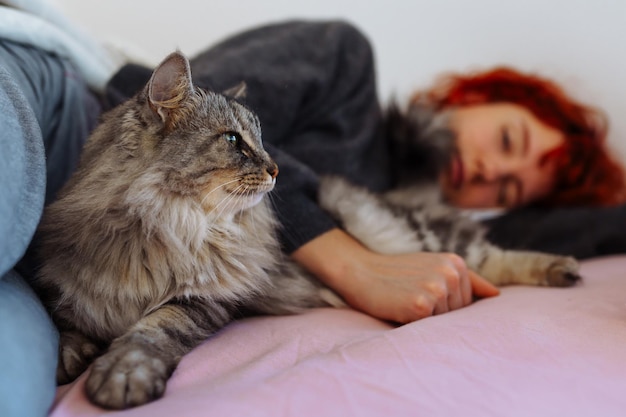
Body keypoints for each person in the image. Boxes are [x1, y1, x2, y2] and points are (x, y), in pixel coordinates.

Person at [2, 3, 626, 416]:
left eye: (509, 192)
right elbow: (180, 101)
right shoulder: (344, 62)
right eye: (509, 140)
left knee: (14, 384)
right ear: (479, 95)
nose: (492, 171)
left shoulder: (403, 207)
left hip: (53, 287)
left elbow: (556, 234)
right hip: (53, 121)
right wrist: (352, 263)